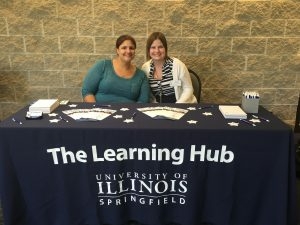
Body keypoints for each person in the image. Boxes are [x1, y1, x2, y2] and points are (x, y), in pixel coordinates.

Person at [82, 35, 150, 103]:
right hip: (100, 111)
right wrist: (96, 109)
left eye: (131, 48)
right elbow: (87, 91)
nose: (128, 51)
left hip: (129, 113)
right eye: (124, 48)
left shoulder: (141, 76)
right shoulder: (103, 65)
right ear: (117, 50)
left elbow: (143, 101)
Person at [142, 32, 197, 103]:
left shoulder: (178, 65)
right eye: (153, 47)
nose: (157, 51)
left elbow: (188, 88)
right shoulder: (145, 68)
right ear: (148, 50)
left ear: (165, 48)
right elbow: (147, 94)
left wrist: (177, 106)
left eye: (160, 47)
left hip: (180, 105)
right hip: (157, 109)